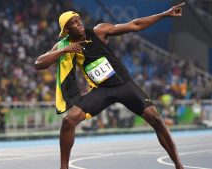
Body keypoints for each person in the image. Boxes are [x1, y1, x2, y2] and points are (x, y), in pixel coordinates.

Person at [35, 2, 185, 169]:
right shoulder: (64, 45)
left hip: (124, 85)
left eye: (79, 20)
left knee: (156, 118)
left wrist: (165, 14)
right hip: (101, 90)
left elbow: (134, 25)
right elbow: (39, 63)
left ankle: (179, 166)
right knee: (68, 121)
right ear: (67, 30)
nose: (80, 23)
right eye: (74, 23)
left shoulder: (99, 31)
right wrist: (64, 50)